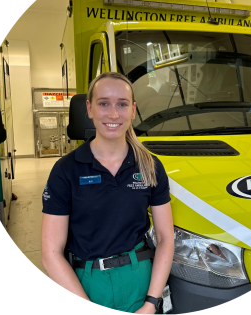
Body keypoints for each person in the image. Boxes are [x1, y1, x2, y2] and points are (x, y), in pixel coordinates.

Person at [41, 72, 174, 313]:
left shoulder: (150, 166)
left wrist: (152, 302)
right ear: (90, 108)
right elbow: (51, 253)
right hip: (85, 285)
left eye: (122, 105)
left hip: (140, 281)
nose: (113, 114)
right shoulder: (66, 170)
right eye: (104, 104)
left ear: (133, 111)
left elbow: (166, 238)